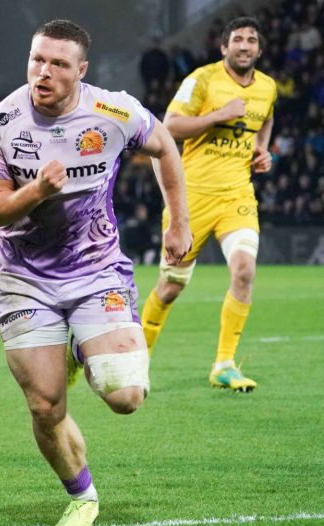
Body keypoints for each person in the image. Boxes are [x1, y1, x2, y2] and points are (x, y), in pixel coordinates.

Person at [0, 19, 191, 526]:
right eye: (36, 60)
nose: (42, 73)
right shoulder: (3, 120)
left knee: (125, 395)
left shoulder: (113, 111)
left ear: (81, 71)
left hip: (96, 271)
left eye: (57, 64)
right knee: (45, 405)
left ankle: (78, 347)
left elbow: (166, 149)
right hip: (24, 275)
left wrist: (178, 221)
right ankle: (82, 495)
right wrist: (35, 193)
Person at [140, 17, 275, 393]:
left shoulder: (267, 87)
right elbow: (169, 127)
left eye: (251, 40)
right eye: (238, 40)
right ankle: (138, 360)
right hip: (192, 196)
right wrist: (218, 115)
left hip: (237, 195)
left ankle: (224, 364)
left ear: (259, 50)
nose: (244, 46)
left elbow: (266, 119)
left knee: (244, 271)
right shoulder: (202, 79)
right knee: (170, 287)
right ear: (224, 47)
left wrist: (263, 151)